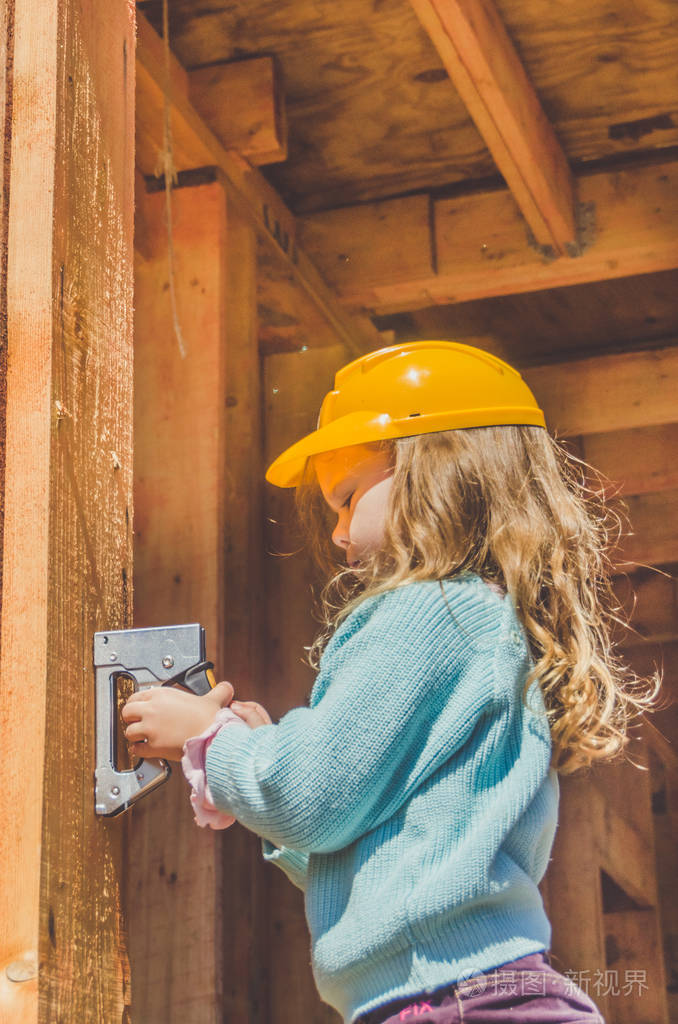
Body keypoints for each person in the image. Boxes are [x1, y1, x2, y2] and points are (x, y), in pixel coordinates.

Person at [121, 341, 661, 1024]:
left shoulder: (427, 609)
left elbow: (310, 796)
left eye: (346, 500)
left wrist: (210, 735)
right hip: (474, 994)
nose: (341, 535)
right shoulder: (477, 619)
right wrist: (252, 764)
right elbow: (373, 847)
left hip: (452, 1002)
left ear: (432, 470)